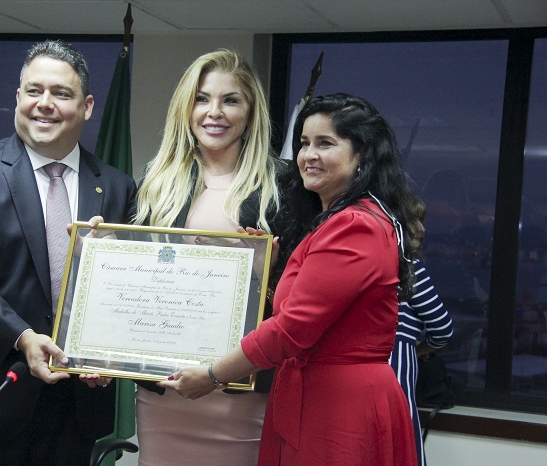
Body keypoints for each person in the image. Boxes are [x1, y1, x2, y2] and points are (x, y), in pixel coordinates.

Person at [160, 93, 421, 465]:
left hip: (340, 408)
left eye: (325, 143)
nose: (308, 155)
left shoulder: (355, 225)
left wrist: (214, 375)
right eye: (304, 143)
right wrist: (263, 270)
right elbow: (303, 311)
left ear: (361, 153)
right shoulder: (333, 221)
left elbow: (292, 328)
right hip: (313, 398)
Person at [0, 40, 137, 465]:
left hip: (73, 411)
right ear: (18, 98)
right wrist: (23, 337)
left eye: (61, 93)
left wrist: (106, 353)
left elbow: (127, 294)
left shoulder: (116, 186)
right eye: (34, 91)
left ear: (87, 107)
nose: (44, 103)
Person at [132, 49, 284, 466]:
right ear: (187, 108)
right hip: (165, 393)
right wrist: (102, 245)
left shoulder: (282, 185)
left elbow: (302, 300)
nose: (214, 112)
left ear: (250, 113)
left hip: (240, 392)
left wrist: (263, 274)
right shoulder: (156, 182)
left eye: (230, 100)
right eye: (202, 99)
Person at [390, 200, 454, 466]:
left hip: (363, 365)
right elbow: (443, 328)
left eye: (421, 221)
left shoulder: (370, 263)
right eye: (412, 221)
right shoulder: (408, 267)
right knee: (401, 441)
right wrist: (421, 348)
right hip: (397, 361)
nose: (421, 229)